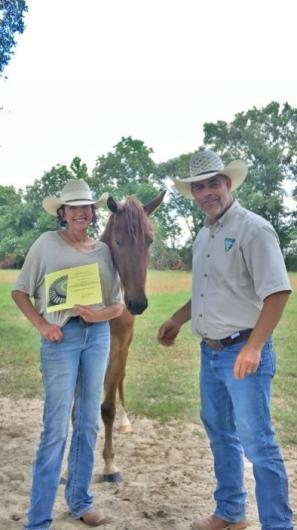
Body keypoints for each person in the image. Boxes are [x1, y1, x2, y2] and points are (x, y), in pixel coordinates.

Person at [158, 150, 293, 530]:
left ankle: (277, 525)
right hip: (211, 353)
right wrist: (177, 318)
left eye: (213, 184)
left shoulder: (254, 229)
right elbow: (207, 292)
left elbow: (278, 293)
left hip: (243, 352)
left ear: (228, 184)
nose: (206, 192)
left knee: (259, 444)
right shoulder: (203, 235)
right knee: (221, 434)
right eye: (199, 187)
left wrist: (253, 347)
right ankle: (231, 511)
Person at [12, 179, 123, 529]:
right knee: (56, 428)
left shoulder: (103, 252)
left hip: (98, 337)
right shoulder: (46, 244)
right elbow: (20, 292)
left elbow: (117, 304)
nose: (81, 213)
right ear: (63, 212)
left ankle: (79, 500)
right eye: (73, 207)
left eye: (86, 207)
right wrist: (43, 326)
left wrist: (99, 315)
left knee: (88, 422)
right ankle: (38, 519)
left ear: (93, 212)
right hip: (61, 339)